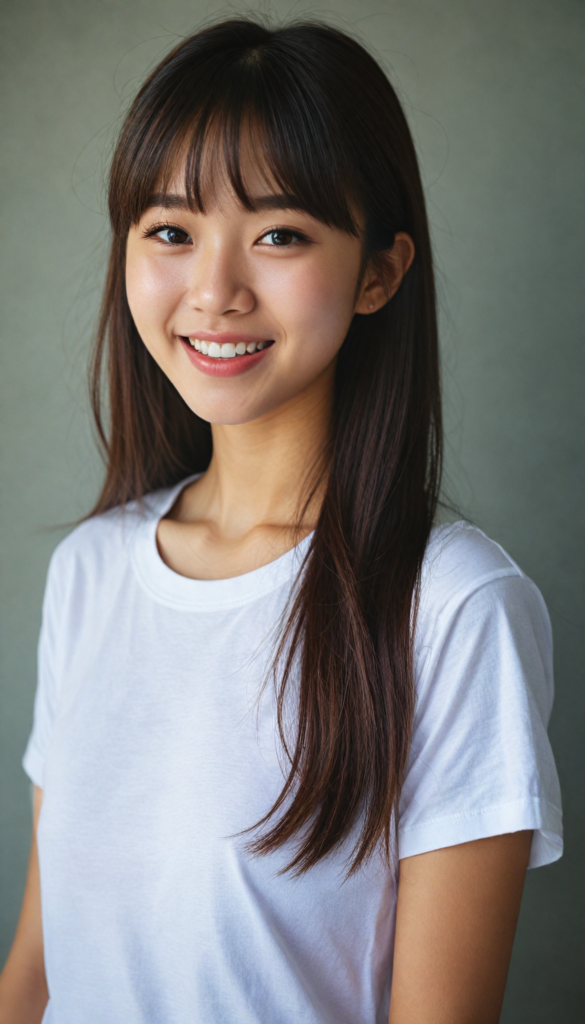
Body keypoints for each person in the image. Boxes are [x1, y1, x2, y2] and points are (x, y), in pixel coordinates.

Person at [0, 17, 562, 1024]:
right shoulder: (91, 570)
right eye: (170, 231)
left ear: (381, 271)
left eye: (280, 235)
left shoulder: (454, 606)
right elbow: (37, 976)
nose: (214, 290)